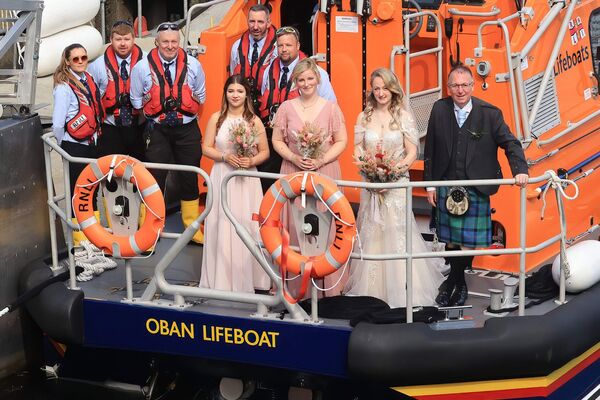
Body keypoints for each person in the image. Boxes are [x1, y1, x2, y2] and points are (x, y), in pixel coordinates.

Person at [424, 64, 529, 306]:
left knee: (466, 241)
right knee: (451, 240)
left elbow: (511, 143)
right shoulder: (439, 109)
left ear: (472, 86)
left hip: (475, 185)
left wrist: (520, 171)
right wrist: (430, 186)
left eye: (464, 85)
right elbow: (430, 148)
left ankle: (455, 282)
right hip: (446, 183)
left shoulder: (490, 113)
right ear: (448, 88)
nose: (460, 90)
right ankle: (457, 282)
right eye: (455, 85)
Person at [344, 68, 444, 307]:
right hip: (371, 184)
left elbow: (412, 152)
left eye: (385, 88)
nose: (381, 93)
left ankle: (401, 291)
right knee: (372, 233)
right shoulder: (363, 117)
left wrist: (393, 172)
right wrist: (368, 169)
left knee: (396, 232)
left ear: (393, 89)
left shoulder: (403, 117)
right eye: (376, 88)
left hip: (396, 184)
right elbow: (357, 148)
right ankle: (371, 291)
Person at [271, 57, 347, 295]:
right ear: (295, 82)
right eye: (301, 79)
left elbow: (342, 140)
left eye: (310, 78)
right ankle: (296, 286)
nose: (306, 83)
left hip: (323, 172)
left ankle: (327, 288)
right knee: (295, 227)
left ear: (318, 79)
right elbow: (276, 140)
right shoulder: (285, 108)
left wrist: (322, 159)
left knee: (325, 228)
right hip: (294, 172)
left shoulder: (331, 107)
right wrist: (294, 158)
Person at [130, 22, 206, 244]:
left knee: (189, 176)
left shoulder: (194, 65)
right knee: (154, 179)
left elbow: (201, 95)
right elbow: (136, 101)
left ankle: (192, 228)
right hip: (157, 129)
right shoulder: (141, 68)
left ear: (179, 42)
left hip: (187, 128)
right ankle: (149, 231)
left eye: (174, 41)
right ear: (156, 42)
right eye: (165, 42)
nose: (170, 46)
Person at [200, 75, 271, 293]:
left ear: (246, 94)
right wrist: (223, 157)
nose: (235, 95)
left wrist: (251, 161)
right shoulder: (216, 118)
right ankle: (221, 277)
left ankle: (250, 277)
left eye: (240, 91)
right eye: (231, 91)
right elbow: (206, 148)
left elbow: (265, 152)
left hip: (247, 179)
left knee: (247, 223)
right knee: (221, 222)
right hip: (222, 175)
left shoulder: (254, 121)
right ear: (225, 93)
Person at [257, 26, 336, 193]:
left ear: (298, 46)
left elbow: (331, 108)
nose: (284, 49)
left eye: (289, 45)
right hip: (275, 139)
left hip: (303, 143)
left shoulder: (317, 73)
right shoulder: (268, 72)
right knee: (269, 187)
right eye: (280, 46)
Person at [52, 43, 104, 247]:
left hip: (93, 144)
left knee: (93, 191)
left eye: (84, 57)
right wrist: (63, 145)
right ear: (67, 62)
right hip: (76, 146)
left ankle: (95, 235)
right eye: (76, 59)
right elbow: (57, 124)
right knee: (79, 193)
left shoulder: (88, 79)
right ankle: (81, 241)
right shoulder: (64, 87)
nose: (81, 62)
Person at [88, 20, 146, 161]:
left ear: (133, 39)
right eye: (118, 39)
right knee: (109, 173)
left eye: (127, 39)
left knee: (141, 173)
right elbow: (90, 98)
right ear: (111, 40)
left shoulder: (147, 61)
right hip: (110, 126)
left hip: (140, 125)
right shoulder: (97, 66)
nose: (122, 43)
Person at [229, 4, 277, 111]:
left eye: (260, 22)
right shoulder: (237, 47)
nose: (255, 27)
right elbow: (233, 75)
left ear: (268, 23)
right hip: (243, 106)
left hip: (268, 107)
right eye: (252, 21)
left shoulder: (278, 49)